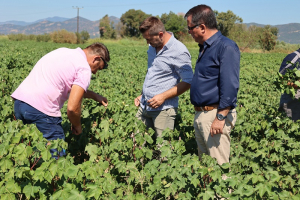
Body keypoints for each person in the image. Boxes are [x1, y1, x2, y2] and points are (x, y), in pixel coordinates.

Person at [11, 43, 110, 159]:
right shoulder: (84, 68)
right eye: (99, 68)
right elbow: (72, 108)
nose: (95, 72)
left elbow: (69, 87)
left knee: (27, 152)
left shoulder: (63, 52)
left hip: (20, 103)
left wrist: (93, 95)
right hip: (42, 110)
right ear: (96, 59)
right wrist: (77, 124)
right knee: (56, 157)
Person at [185, 5, 240, 165]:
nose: (189, 32)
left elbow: (230, 85)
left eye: (190, 28)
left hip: (214, 116)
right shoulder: (206, 47)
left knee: (218, 170)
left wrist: (220, 117)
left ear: (202, 27)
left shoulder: (225, 47)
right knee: (206, 168)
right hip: (202, 114)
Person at [134, 16, 193, 148]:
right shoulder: (152, 47)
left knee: (163, 151)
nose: (147, 42)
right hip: (145, 105)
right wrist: (143, 94)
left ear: (160, 34)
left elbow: (188, 81)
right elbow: (153, 73)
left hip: (164, 109)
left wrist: (162, 96)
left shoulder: (179, 51)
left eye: (149, 39)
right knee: (138, 147)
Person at [278, 48, 300, 121]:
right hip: (291, 105)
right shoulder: (293, 58)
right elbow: (281, 80)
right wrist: (296, 85)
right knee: (289, 127)